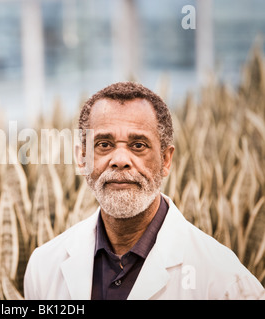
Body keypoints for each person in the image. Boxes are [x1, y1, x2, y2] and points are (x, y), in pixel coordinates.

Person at [23, 81, 264, 300]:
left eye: (138, 145)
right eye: (104, 145)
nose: (119, 160)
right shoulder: (44, 267)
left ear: (166, 160)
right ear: (81, 158)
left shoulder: (226, 283)